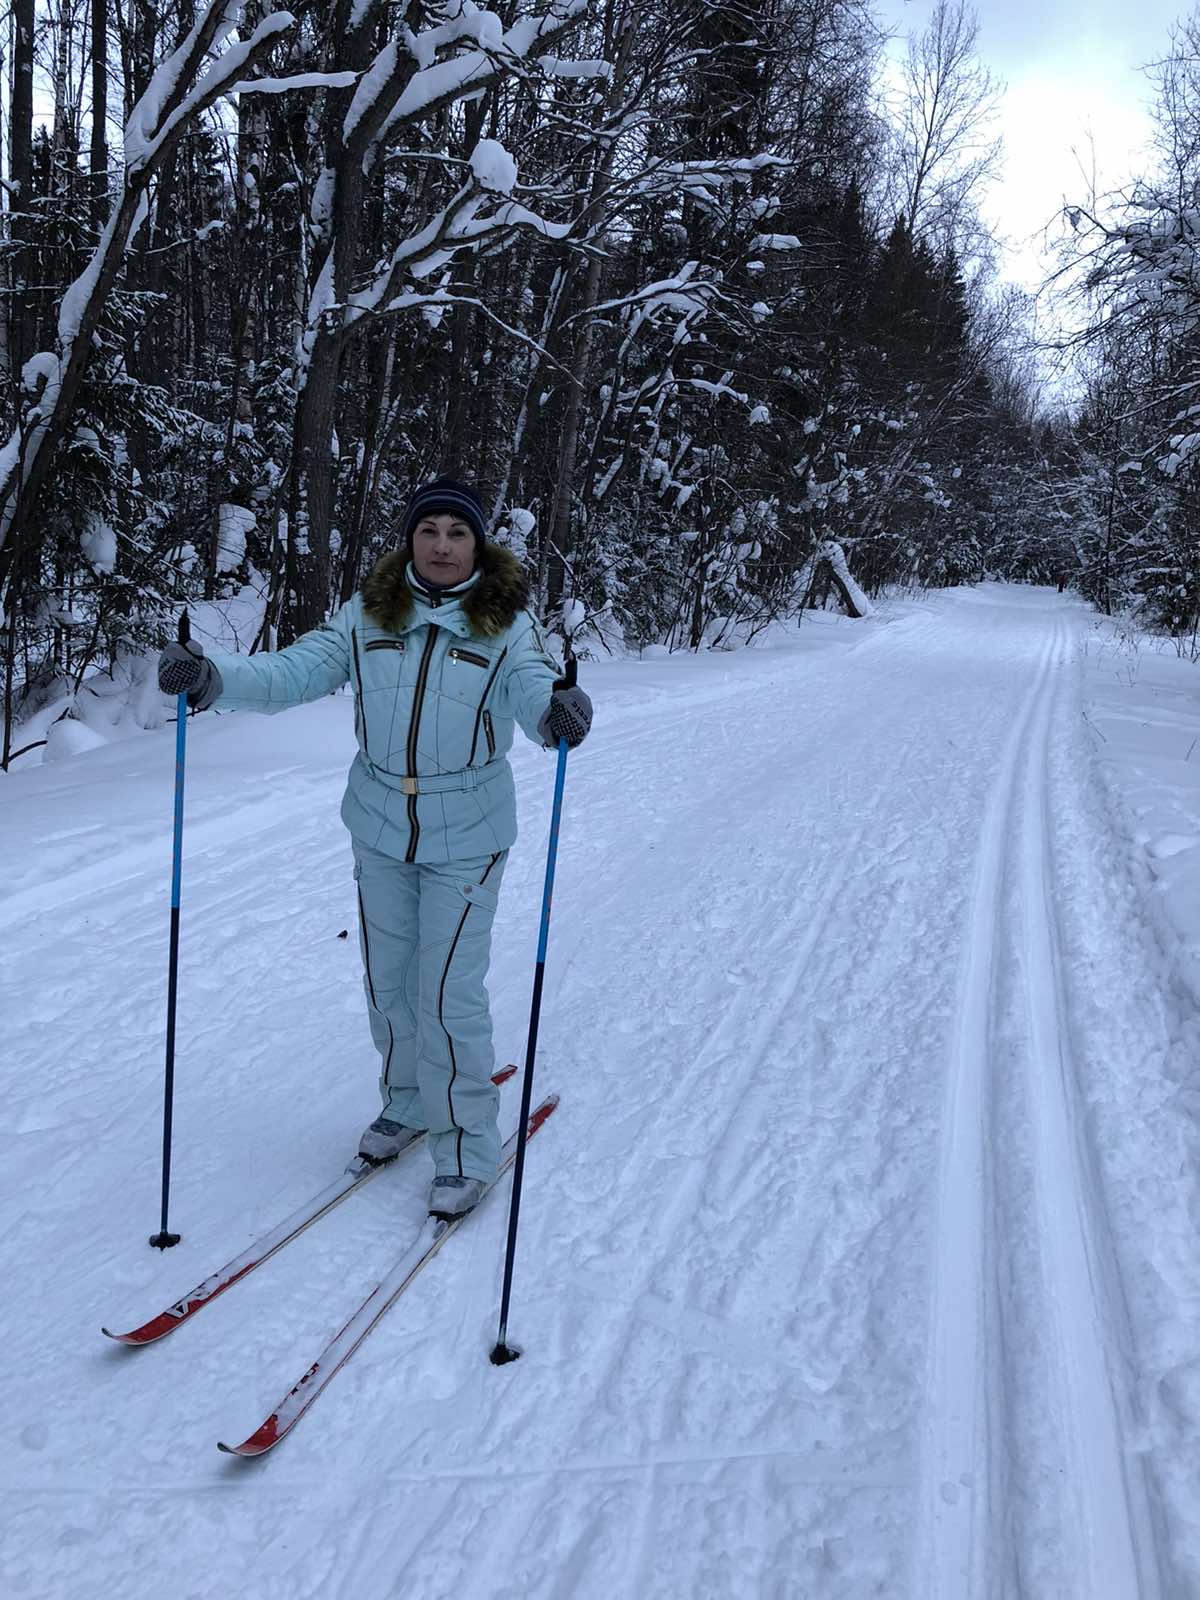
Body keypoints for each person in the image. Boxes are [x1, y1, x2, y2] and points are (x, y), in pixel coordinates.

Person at [157, 478, 592, 1219]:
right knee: (390, 982)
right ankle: (410, 1103)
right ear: (411, 540)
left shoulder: (507, 626)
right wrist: (210, 679)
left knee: (446, 992)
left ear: (477, 544)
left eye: (459, 532)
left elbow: (530, 689)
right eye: (431, 531)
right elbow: (295, 671)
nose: (445, 545)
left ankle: (465, 1148)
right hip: (380, 823)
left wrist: (556, 711)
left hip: (469, 831)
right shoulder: (367, 615)